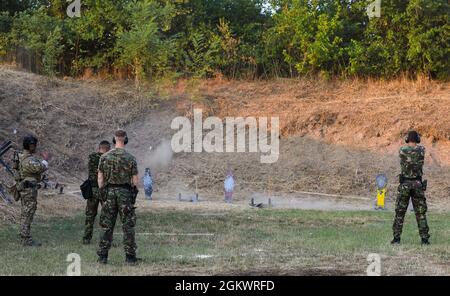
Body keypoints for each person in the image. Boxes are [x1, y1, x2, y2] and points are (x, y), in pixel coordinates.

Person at [97, 130, 140, 264]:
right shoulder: (130, 158)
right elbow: (135, 181)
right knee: (128, 226)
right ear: (125, 140)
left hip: (109, 193)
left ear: (114, 139)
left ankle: (103, 257)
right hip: (125, 193)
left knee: (106, 226)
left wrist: (104, 193)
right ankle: (130, 257)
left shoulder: (104, 157)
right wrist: (133, 193)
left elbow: (100, 179)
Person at [392, 130, 430, 245]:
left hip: (405, 185)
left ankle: (396, 239)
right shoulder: (422, 150)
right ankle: (424, 240)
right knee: (420, 213)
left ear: (407, 139)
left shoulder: (402, 150)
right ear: (417, 139)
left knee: (400, 212)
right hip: (417, 185)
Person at [15, 135, 48, 246]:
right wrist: (45, 160)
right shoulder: (28, 159)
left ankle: (23, 235)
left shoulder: (20, 156)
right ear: (31, 145)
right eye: (34, 145)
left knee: (25, 212)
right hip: (28, 190)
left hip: (24, 188)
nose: (35, 147)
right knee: (28, 213)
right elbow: (40, 168)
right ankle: (25, 238)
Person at [82, 140, 111, 245]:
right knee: (105, 215)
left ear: (99, 148)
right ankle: (104, 239)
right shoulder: (108, 158)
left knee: (90, 215)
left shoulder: (92, 157)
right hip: (103, 190)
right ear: (107, 149)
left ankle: (86, 238)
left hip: (92, 190)